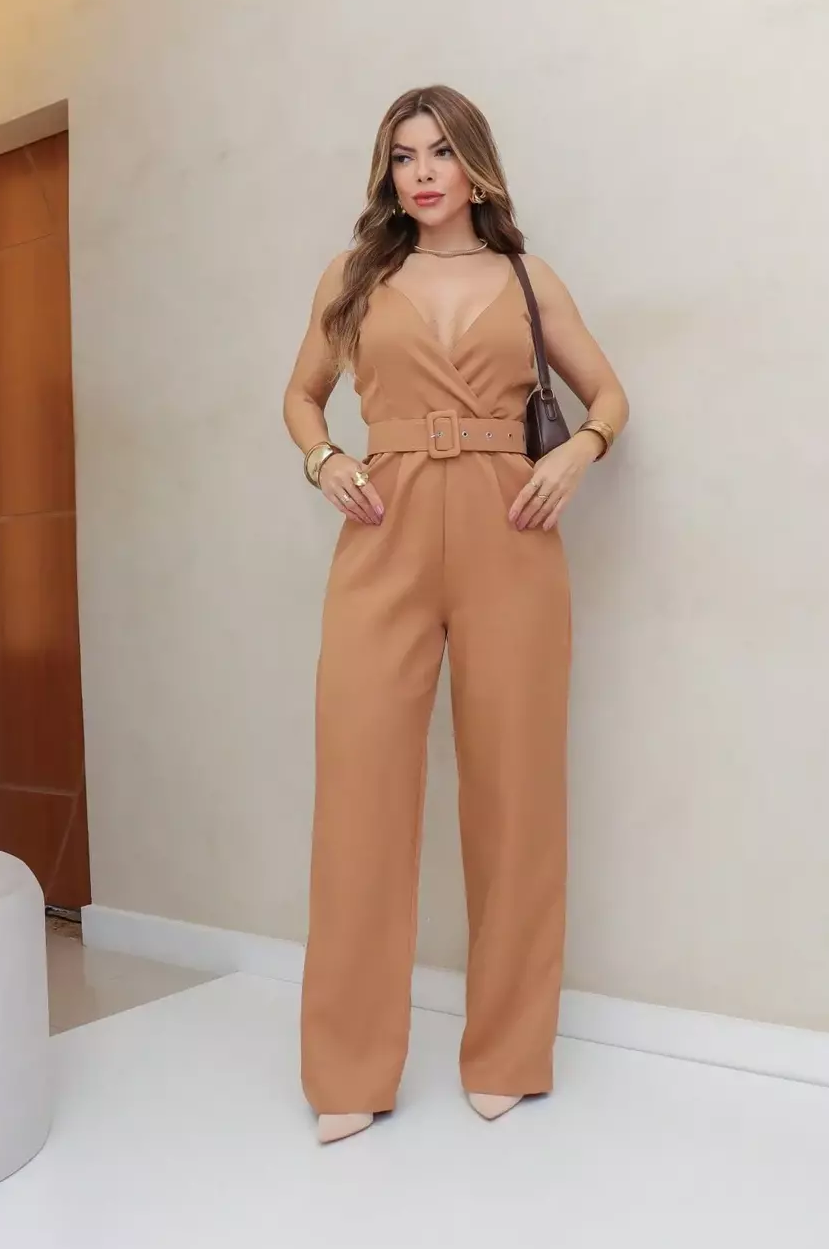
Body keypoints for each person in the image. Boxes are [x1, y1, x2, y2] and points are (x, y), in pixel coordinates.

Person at [283, 86, 629, 1144]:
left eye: (439, 151)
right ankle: (348, 1067)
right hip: (382, 530)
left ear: (475, 165)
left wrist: (577, 452)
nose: (422, 172)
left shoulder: (527, 277)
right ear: (387, 173)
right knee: (359, 798)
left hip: (509, 536)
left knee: (516, 797)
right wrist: (324, 458)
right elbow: (301, 394)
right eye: (403, 156)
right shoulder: (354, 275)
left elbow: (609, 396)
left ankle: (510, 1052)